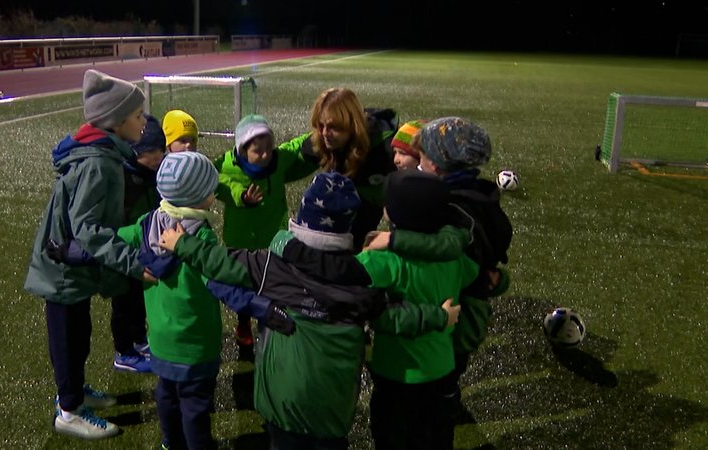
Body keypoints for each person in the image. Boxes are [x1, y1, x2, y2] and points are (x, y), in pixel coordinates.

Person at [159, 171, 460, 449]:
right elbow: (392, 318)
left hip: (282, 403)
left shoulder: (271, 266)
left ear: (301, 217)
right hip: (332, 409)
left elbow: (220, 261)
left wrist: (181, 243)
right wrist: (438, 317)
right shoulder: (361, 281)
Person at [23, 69, 155, 440]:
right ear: (115, 122)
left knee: (78, 333)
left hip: (71, 263)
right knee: (68, 337)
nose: (144, 122)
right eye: (137, 116)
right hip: (63, 267)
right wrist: (133, 263)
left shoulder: (103, 153)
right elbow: (90, 229)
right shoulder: (99, 162)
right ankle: (68, 410)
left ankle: (75, 393)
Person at [368, 116, 513, 448]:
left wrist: (394, 241)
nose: (418, 161)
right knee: (438, 398)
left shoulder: (453, 206)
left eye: (424, 156)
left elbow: (448, 252)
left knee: (428, 403)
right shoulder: (476, 193)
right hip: (460, 312)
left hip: (456, 321)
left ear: (439, 162)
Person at [357, 170, 494, 450]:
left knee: (391, 437)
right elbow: (479, 278)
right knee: (435, 436)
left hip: (396, 372)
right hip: (442, 369)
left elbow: (350, 286)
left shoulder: (381, 259)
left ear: (392, 214)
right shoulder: (454, 259)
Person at [115, 151, 224, 450]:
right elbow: (220, 280)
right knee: (195, 407)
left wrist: (75, 249)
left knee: (166, 396)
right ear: (197, 196)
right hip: (196, 345)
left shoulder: (146, 224)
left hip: (161, 341)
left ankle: (169, 443)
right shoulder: (202, 238)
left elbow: (113, 240)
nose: (213, 194)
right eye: (209, 190)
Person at [214, 114, 317, 348]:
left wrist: (317, 139)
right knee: (243, 283)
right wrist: (240, 194)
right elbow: (215, 181)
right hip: (240, 239)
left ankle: (269, 324)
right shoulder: (227, 164)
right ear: (242, 149)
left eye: (268, 148)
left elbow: (296, 148)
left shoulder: (277, 159)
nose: (265, 155)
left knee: (272, 283)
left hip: (272, 235)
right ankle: (243, 323)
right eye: (257, 150)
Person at [282, 88, 399, 251]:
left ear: (352, 125)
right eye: (320, 125)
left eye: (332, 127)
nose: (324, 133)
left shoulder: (386, 150)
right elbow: (287, 159)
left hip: (369, 208)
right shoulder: (322, 139)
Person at [110, 114, 165, 373]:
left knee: (138, 301)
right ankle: (123, 350)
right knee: (123, 302)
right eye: (150, 152)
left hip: (142, 253)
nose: (157, 157)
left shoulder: (152, 175)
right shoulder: (122, 178)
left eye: (160, 151)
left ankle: (139, 339)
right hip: (124, 255)